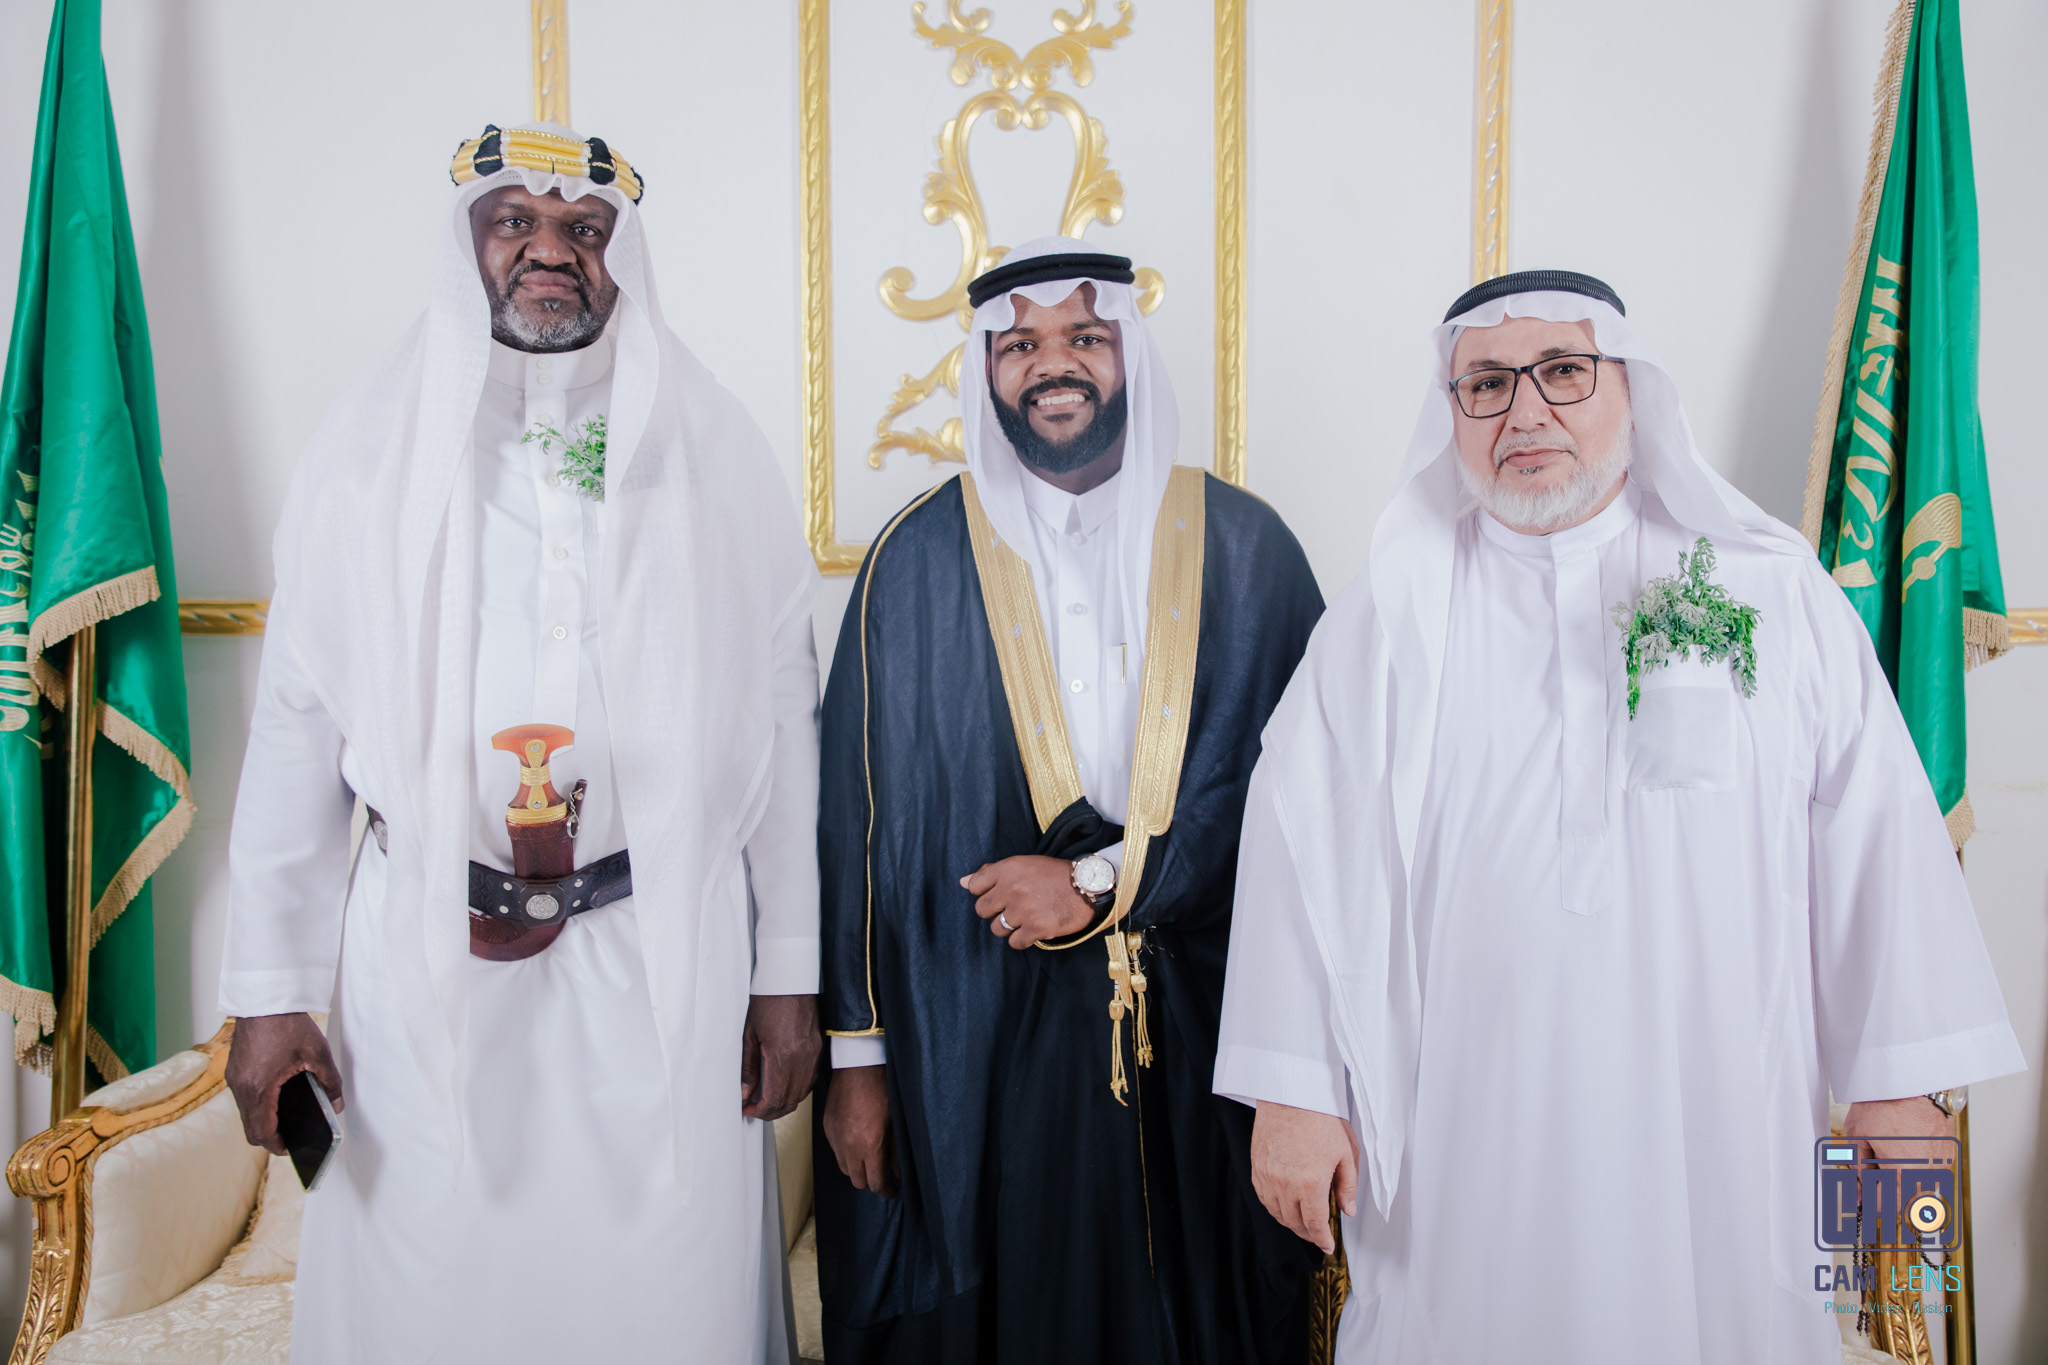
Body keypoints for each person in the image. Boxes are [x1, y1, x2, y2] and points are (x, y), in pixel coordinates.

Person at [1218, 270, 2025, 1363]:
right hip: (1464, 1119)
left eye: (1562, 372)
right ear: (1452, 411)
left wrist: (1894, 1083)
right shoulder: (1385, 615)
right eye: (1486, 385)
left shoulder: (1768, 589)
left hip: (1718, 1107)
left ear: (1631, 389)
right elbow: (1296, 846)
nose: (1525, 411)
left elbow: (1872, 831)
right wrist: (1293, 1091)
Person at [216, 122, 822, 1363]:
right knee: (431, 1298)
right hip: (423, 968)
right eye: (515, 224)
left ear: (620, 257)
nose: (550, 251)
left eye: (582, 231)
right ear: (468, 245)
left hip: (662, 960)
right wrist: (269, 993)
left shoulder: (714, 453)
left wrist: (789, 976)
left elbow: (782, 736)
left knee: (664, 1305)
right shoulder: (363, 454)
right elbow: (296, 729)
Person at [813, 237, 1327, 1363]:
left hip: (1203, 1032)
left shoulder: (1246, 550)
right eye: (1021, 346)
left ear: (1128, 353)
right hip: (975, 1033)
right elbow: (854, 826)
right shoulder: (915, 560)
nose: (1054, 364)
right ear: (986, 371)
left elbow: (1303, 811)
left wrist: (1098, 881)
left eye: (1085, 337)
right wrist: (856, 1065)